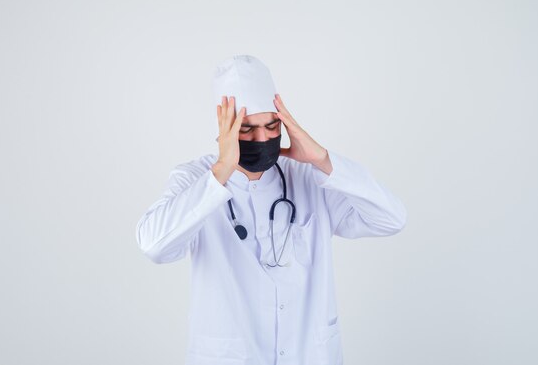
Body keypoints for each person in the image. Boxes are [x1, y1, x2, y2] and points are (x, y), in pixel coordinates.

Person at [135, 55, 407, 365]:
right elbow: (154, 246)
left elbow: (392, 219)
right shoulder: (196, 181)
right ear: (223, 127)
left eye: (271, 125)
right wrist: (222, 169)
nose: (262, 138)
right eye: (246, 129)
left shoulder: (308, 176)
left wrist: (322, 159)